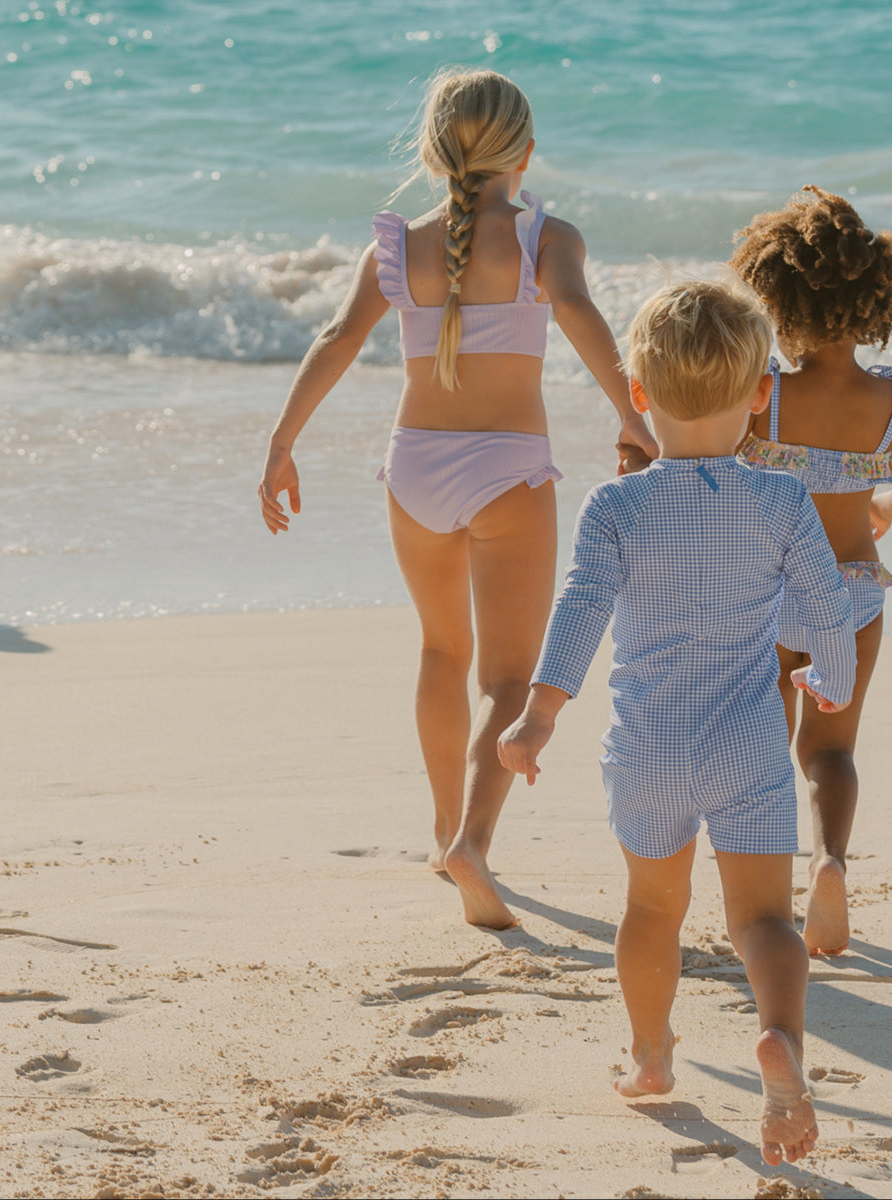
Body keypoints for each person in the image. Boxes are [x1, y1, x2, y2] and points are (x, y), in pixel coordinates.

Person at [258, 68, 657, 931]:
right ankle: (473, 839)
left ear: (436, 151)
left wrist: (282, 445)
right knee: (508, 677)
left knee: (441, 652)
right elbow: (584, 319)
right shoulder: (550, 239)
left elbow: (334, 340)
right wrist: (635, 419)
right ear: (527, 150)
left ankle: (441, 829)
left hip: (413, 471)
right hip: (508, 469)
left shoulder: (397, 245)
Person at [498, 281, 856, 1166]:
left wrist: (538, 715)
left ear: (642, 396)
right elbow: (826, 602)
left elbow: (579, 610)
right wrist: (829, 674)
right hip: (746, 741)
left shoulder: (615, 507)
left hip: (649, 747)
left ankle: (653, 1057)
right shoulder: (779, 501)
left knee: (653, 908)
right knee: (765, 921)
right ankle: (783, 1044)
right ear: (759, 394)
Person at [729, 185, 892, 955]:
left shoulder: (769, 398)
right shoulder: (891, 403)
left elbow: (724, 468)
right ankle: (831, 860)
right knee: (831, 750)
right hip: (851, 592)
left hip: (769, 590)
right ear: (875, 299)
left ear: (774, 298)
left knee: (763, 742)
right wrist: (877, 501)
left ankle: (769, 895)